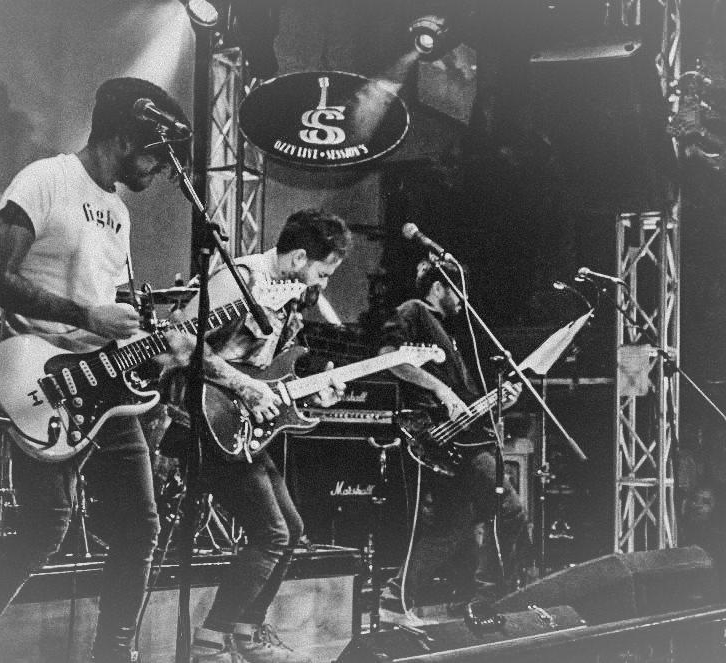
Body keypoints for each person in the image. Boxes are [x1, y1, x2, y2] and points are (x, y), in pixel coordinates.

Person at [0, 77, 189, 663]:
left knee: (140, 527)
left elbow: (111, 307)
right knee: (45, 527)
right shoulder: (46, 179)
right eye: (157, 156)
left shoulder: (118, 212)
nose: (162, 170)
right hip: (40, 376)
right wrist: (85, 314)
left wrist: (156, 344)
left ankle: (115, 655)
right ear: (126, 138)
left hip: (105, 386)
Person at [166, 209, 352, 663]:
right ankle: (209, 644)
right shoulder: (241, 278)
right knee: (271, 532)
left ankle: (246, 634)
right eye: (324, 272)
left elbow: (270, 373)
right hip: (201, 419)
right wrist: (244, 387)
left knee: (290, 530)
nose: (324, 284)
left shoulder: (289, 296)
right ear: (299, 258)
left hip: (239, 426)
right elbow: (179, 340)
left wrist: (313, 393)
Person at [379, 258, 528, 611]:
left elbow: (465, 403)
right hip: (439, 433)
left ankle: (396, 597)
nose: (464, 300)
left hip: (457, 437)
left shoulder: (448, 333)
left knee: (450, 526)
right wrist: (440, 389)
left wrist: (501, 402)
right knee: (509, 510)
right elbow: (389, 357)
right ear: (438, 288)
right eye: (458, 290)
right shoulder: (414, 311)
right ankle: (487, 599)